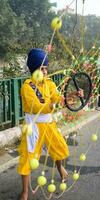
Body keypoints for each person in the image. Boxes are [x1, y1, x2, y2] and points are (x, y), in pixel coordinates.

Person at [18, 48, 71, 200]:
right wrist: (52, 104)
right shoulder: (27, 86)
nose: (46, 71)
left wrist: (71, 96)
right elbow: (35, 106)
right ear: (34, 69)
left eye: (46, 68)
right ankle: (25, 192)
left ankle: (60, 168)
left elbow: (57, 97)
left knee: (58, 148)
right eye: (42, 68)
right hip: (33, 127)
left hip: (49, 124)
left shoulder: (49, 83)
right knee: (27, 158)